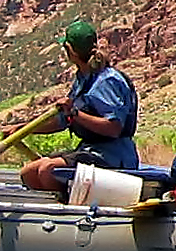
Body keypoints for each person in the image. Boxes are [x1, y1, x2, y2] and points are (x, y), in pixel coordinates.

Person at [14, 20, 140, 197]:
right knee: (29, 173)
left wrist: (75, 113)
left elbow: (113, 128)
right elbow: (62, 121)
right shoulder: (83, 77)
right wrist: (22, 130)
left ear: (70, 50)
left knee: (48, 170)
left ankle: (69, 208)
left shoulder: (107, 81)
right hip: (89, 151)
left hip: (112, 157)